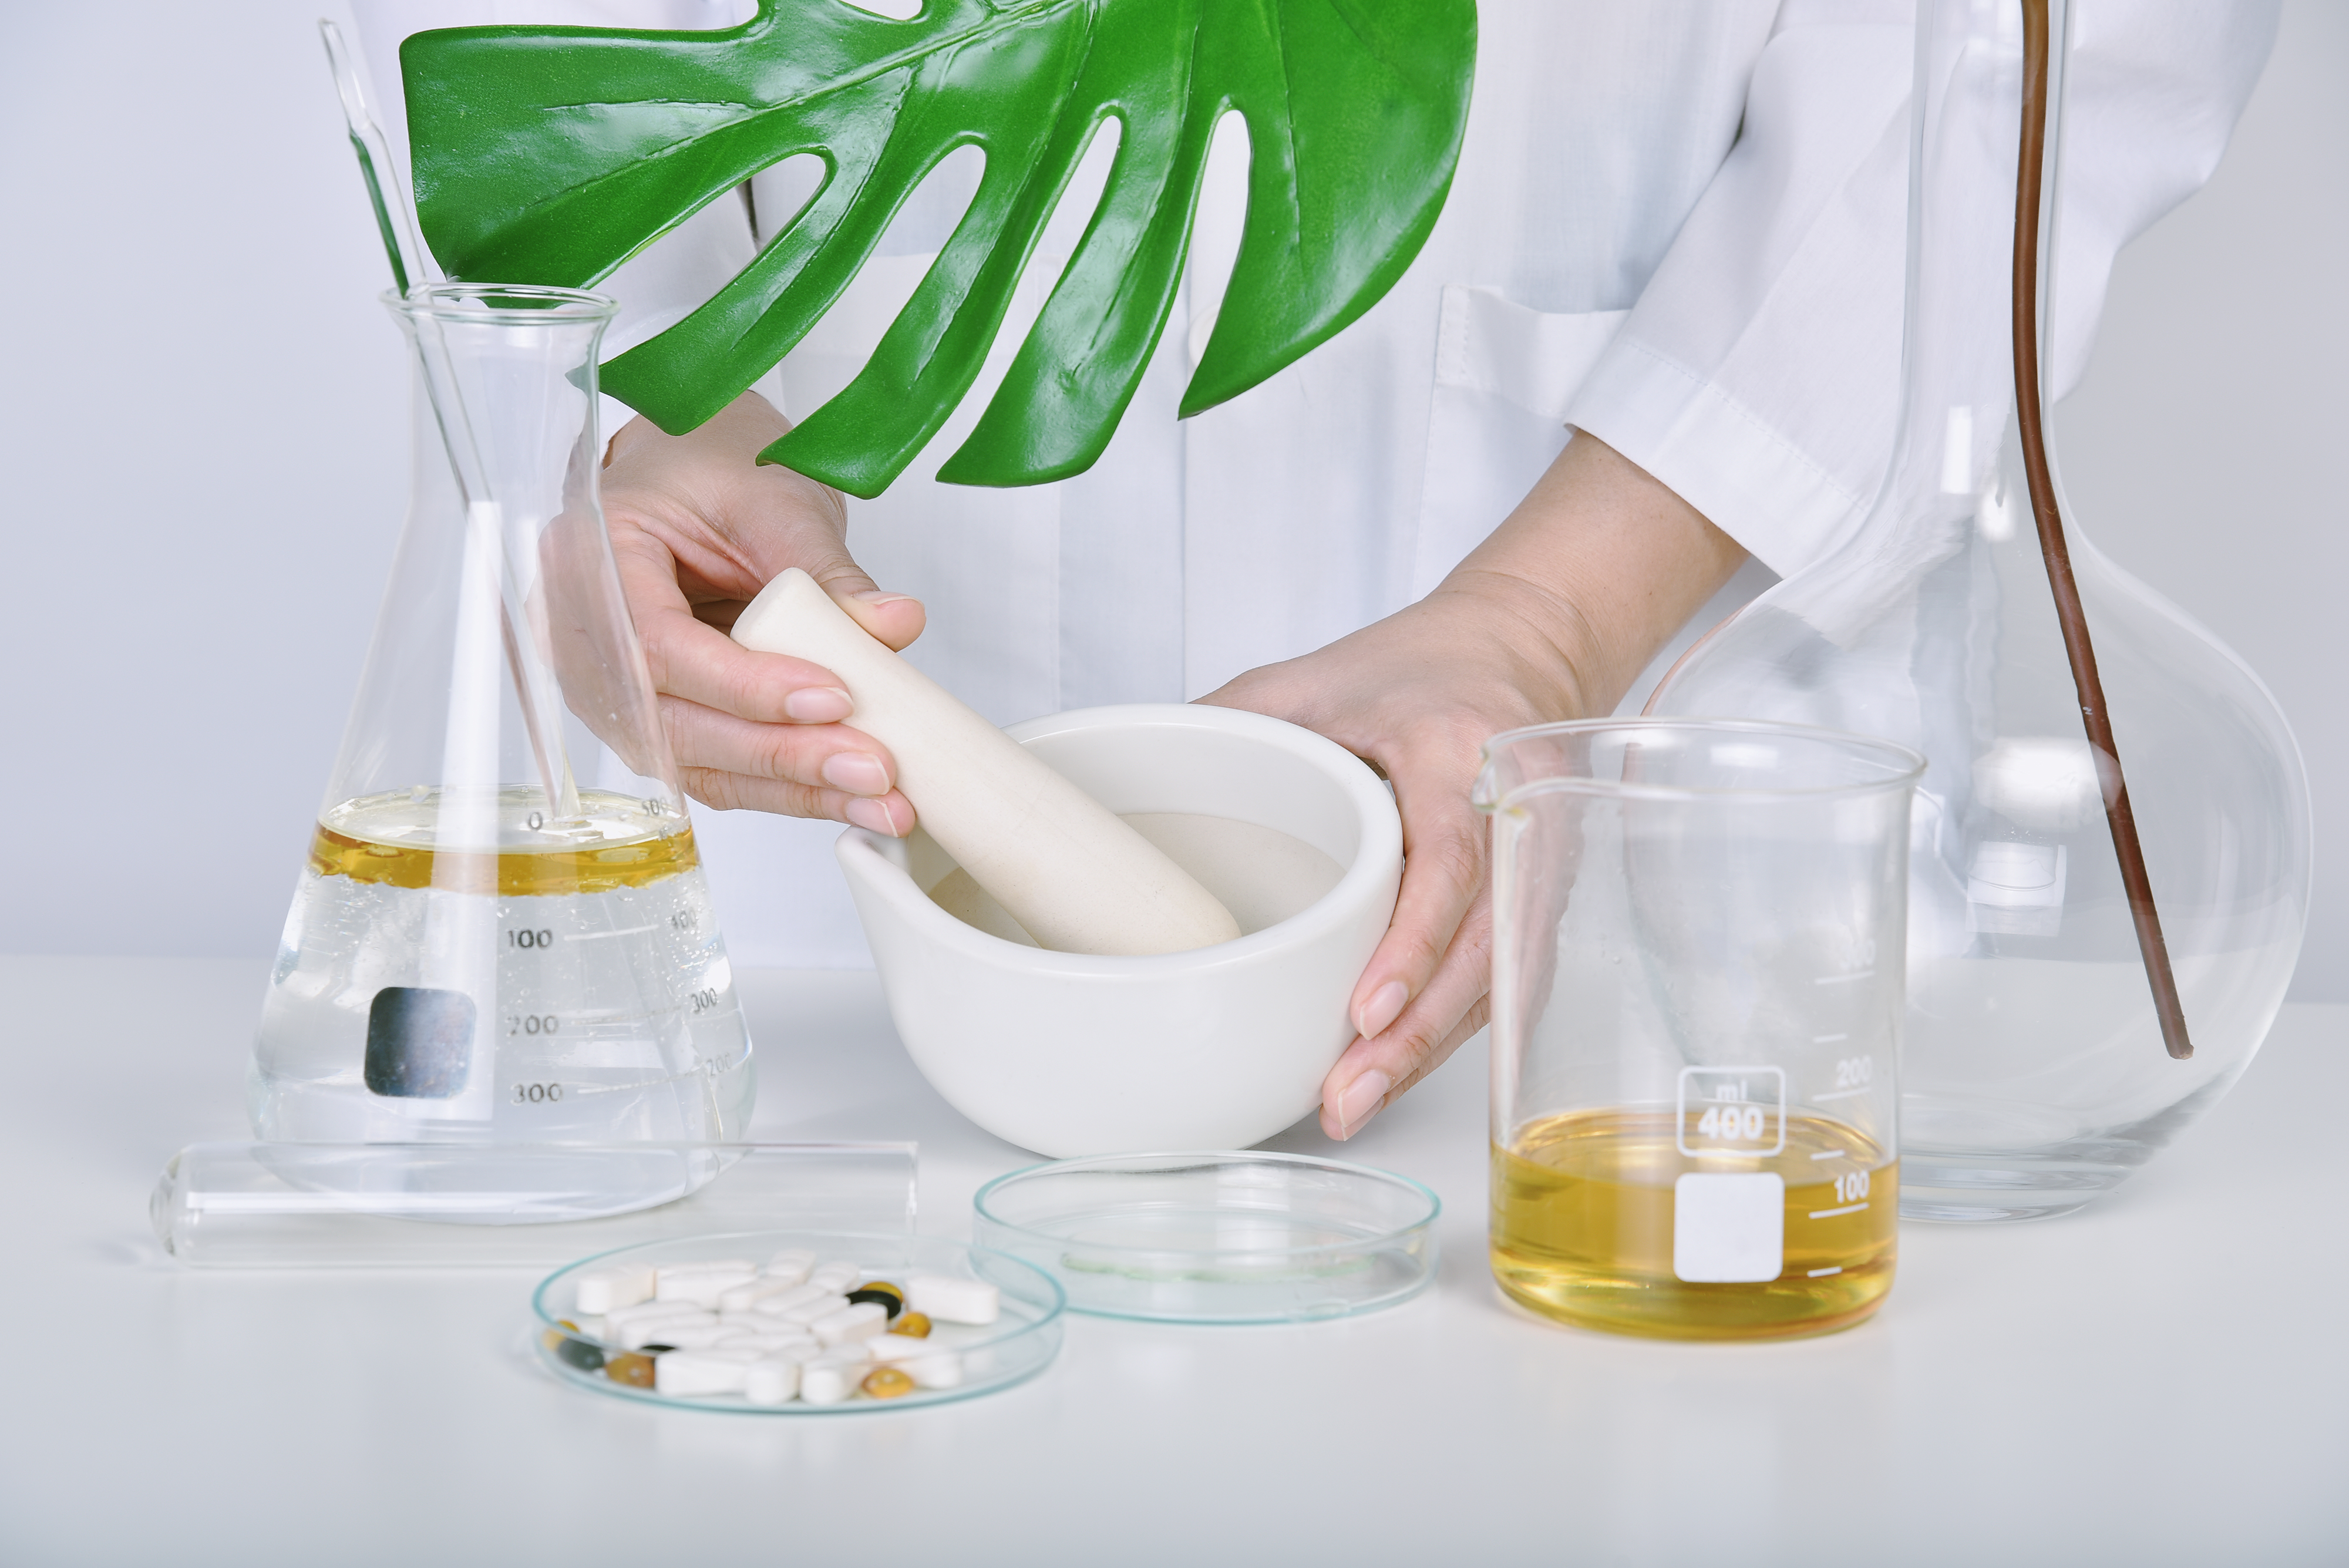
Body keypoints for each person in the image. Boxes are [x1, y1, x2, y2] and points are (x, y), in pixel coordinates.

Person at [356, 0, 2276, 1139]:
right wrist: (643, 441)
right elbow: (571, 92)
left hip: (1637, 1036)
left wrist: (1544, 621)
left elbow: (2040, 49)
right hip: (825, 1029)